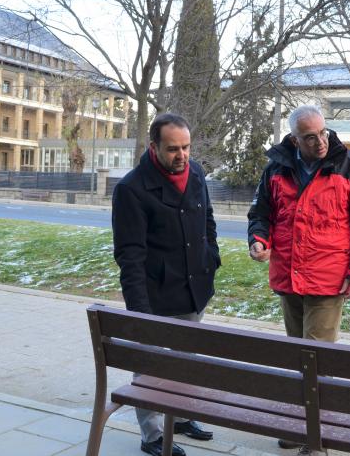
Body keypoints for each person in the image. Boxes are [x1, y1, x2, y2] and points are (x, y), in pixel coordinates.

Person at [248, 105, 350, 453]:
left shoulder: (348, 164)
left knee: (315, 360)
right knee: (297, 356)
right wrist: (259, 240)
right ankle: (302, 426)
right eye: (310, 137)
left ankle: (316, 438)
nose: (321, 141)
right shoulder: (276, 167)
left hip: (328, 279)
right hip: (288, 277)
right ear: (295, 139)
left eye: (323, 133)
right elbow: (261, 213)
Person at [112, 113, 220, 456]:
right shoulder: (131, 189)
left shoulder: (197, 173)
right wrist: (140, 314)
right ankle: (153, 435)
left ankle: (183, 416)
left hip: (194, 289)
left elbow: (208, 219)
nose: (182, 155)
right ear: (153, 146)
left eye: (186, 147)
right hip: (156, 294)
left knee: (187, 360)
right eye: (173, 148)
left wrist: (211, 256)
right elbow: (129, 257)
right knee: (151, 365)